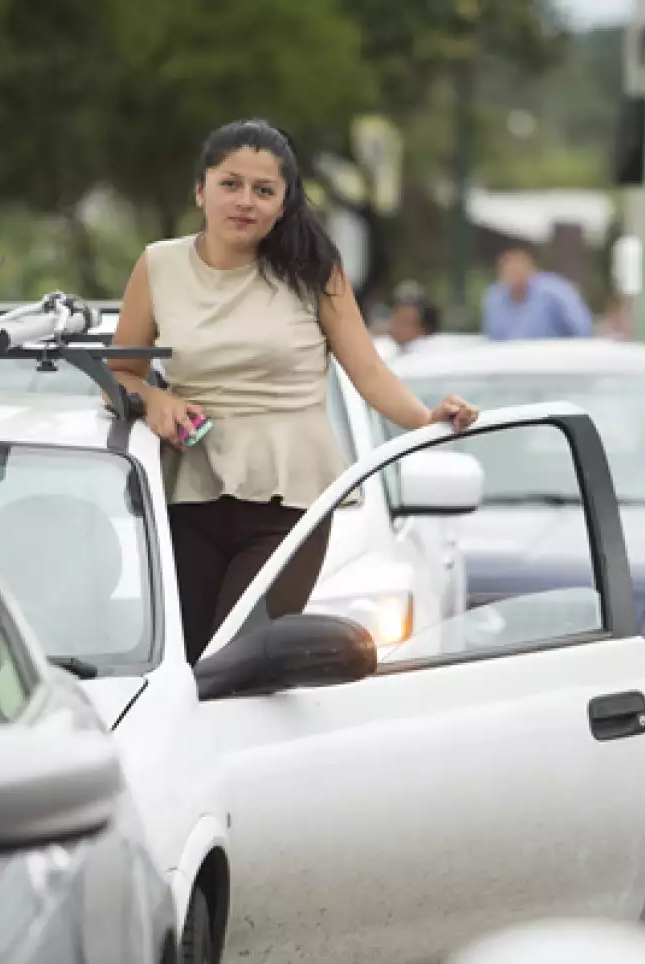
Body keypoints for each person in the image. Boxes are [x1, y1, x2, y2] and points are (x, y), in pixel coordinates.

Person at [109, 118, 480, 663]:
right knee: (180, 669)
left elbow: (369, 373)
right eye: (230, 184)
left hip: (290, 504)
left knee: (237, 664)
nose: (245, 201)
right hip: (187, 493)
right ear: (200, 190)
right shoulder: (158, 264)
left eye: (264, 191)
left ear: (283, 204)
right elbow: (118, 372)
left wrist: (426, 419)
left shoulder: (314, 269)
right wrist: (157, 399)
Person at [481, 245, 594, 341]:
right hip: (510, 361)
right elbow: (492, 339)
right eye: (509, 271)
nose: (513, 275)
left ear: (530, 269)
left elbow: (582, 329)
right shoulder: (494, 298)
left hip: (551, 359)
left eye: (517, 270)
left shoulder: (555, 292)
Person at [387, 280, 442, 354]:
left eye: (404, 322)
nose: (395, 328)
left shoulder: (428, 357)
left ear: (423, 330)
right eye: (395, 321)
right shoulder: (389, 350)